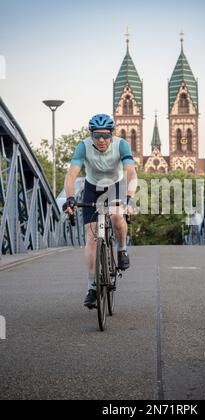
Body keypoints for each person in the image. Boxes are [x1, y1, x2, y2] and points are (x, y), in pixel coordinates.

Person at [63, 114, 137, 309]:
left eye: (105, 135)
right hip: (92, 188)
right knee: (92, 236)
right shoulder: (83, 146)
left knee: (116, 216)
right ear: (91, 135)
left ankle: (122, 250)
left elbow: (131, 172)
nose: (101, 140)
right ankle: (92, 287)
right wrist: (70, 198)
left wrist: (129, 199)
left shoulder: (121, 145)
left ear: (111, 134)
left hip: (115, 186)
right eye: (97, 136)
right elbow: (72, 174)